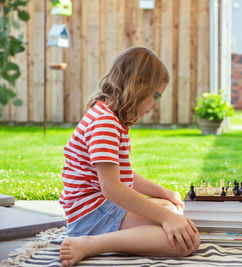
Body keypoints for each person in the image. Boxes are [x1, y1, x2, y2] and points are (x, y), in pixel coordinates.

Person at [59, 47, 200, 266]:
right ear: (137, 87)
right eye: (155, 95)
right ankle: (90, 244)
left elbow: (121, 174)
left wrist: (164, 193)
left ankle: (98, 239)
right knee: (186, 241)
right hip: (91, 214)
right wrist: (167, 218)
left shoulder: (108, 117)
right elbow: (112, 188)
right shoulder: (105, 123)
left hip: (99, 207)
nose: (155, 105)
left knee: (170, 209)